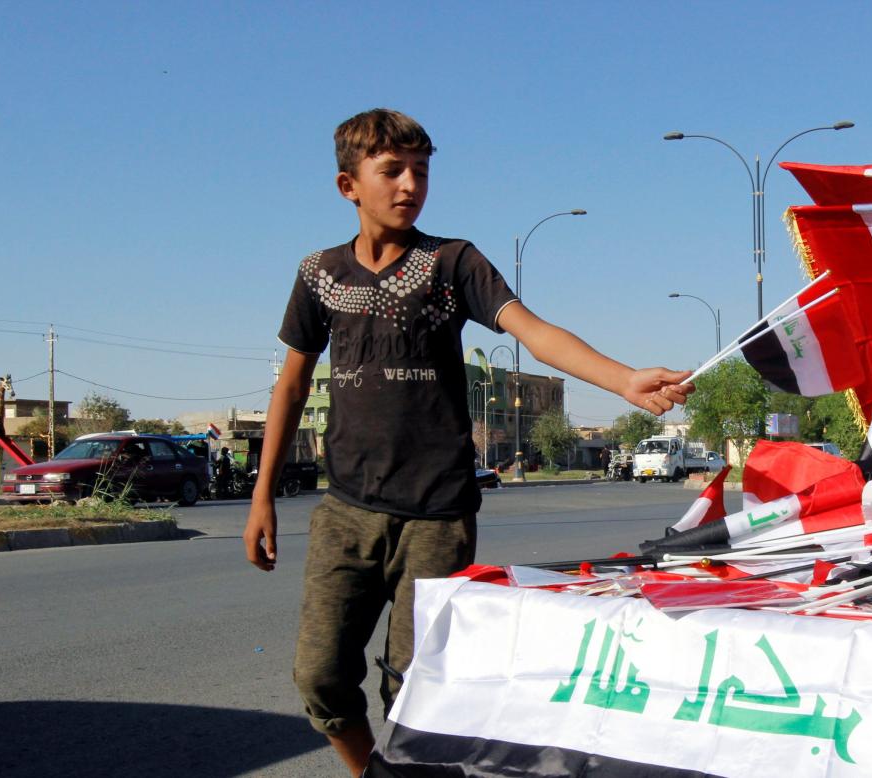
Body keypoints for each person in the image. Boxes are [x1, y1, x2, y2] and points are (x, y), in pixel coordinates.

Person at [240, 108, 692, 777]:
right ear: (348, 186)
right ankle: (372, 773)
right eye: (390, 171)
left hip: (437, 514)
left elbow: (533, 332)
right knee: (320, 679)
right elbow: (292, 385)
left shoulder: (451, 263)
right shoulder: (319, 275)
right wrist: (262, 495)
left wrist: (622, 379)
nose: (408, 185)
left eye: (420, 171)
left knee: (413, 689)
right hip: (346, 511)